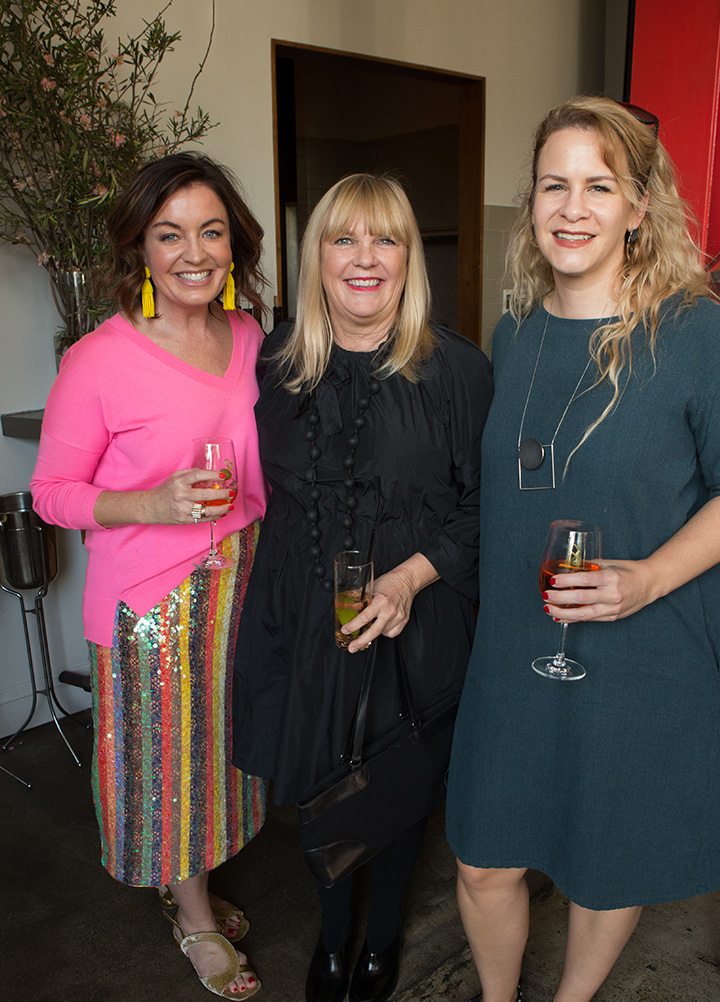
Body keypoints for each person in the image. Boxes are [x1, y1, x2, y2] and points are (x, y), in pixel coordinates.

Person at [446, 95, 720, 1002]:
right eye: (553, 185)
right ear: (532, 202)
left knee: (604, 861)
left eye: (597, 186)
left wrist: (651, 576)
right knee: (482, 860)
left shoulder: (697, 333)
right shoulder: (519, 332)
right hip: (512, 641)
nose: (572, 208)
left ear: (637, 206)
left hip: (639, 647)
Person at [232, 173, 492, 1002]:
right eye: (345, 239)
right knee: (318, 777)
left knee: (399, 777)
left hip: (415, 611)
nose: (365, 258)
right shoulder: (275, 362)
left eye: (386, 239)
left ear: (409, 258)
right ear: (318, 257)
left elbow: (490, 508)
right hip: (306, 612)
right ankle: (334, 934)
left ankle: (381, 941)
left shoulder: (456, 369)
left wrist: (412, 578)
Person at [31, 153, 268, 999]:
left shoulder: (249, 339)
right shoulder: (99, 358)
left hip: (241, 582)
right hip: (148, 602)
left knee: (223, 754)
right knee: (163, 762)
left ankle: (196, 883)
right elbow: (52, 495)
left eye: (210, 231)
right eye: (170, 234)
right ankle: (193, 914)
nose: (193, 252)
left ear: (233, 244)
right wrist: (151, 503)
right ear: (141, 248)